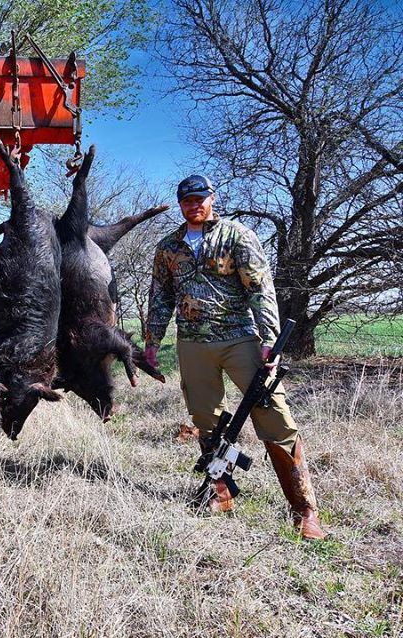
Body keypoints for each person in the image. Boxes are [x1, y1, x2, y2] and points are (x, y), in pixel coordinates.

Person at [144, 174, 325, 540]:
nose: (193, 204)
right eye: (186, 200)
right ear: (180, 204)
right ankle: (220, 492)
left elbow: (260, 287)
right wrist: (151, 343)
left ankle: (305, 510)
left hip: (240, 339)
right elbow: (160, 296)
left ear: (212, 198)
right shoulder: (167, 247)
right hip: (192, 344)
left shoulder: (237, 236)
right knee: (205, 419)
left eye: (199, 198)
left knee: (275, 416)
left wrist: (269, 339)